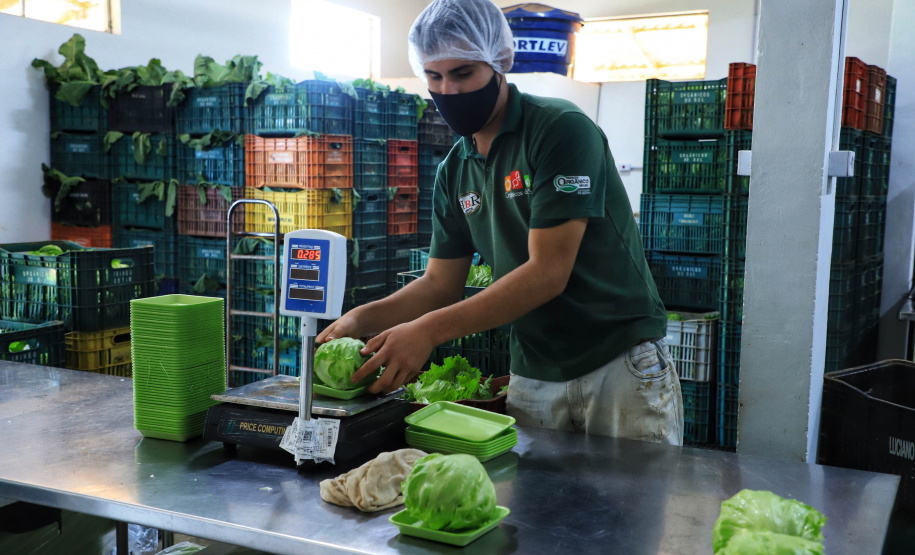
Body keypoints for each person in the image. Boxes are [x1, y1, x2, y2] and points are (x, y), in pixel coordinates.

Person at [316, 0, 683, 444]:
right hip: (533, 366)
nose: (448, 91)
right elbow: (439, 284)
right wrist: (360, 318)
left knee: (631, 506)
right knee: (533, 510)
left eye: (463, 73)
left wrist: (427, 331)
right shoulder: (455, 169)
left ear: (499, 63)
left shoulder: (559, 128)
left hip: (616, 360)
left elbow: (548, 273)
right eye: (434, 76)